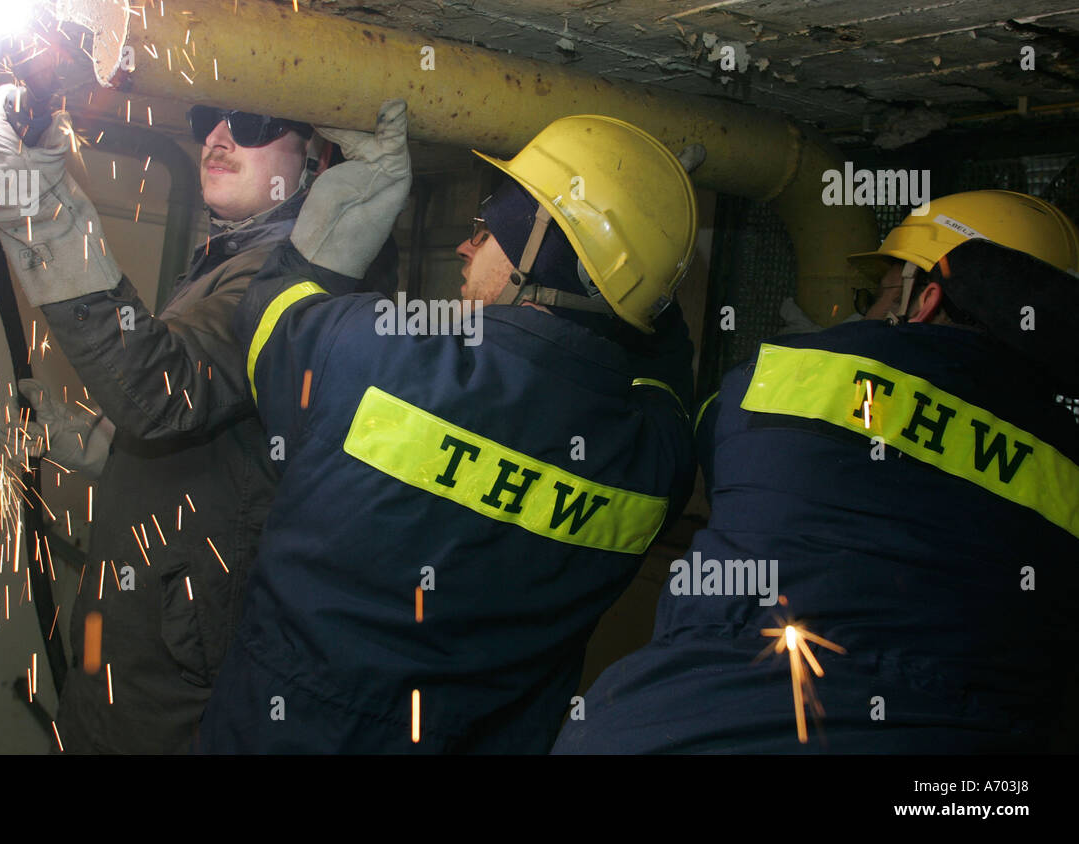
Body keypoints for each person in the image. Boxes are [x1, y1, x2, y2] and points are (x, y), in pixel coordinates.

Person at [195, 104, 701, 753]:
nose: (465, 244)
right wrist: (649, 244)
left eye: (488, 231)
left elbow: (269, 315)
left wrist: (354, 193)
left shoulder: (376, 352)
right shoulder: (656, 459)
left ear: (538, 257)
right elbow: (666, 374)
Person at [554, 190, 1079, 753]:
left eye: (876, 295)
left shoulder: (783, 375)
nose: (866, 311)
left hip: (671, 729)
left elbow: (705, 439)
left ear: (923, 300)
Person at [0, 86, 395, 753]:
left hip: (180, 671)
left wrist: (39, 213)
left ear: (315, 155)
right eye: (208, 121)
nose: (218, 138)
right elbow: (225, 433)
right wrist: (105, 445)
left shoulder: (281, 282)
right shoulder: (235, 261)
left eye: (251, 122)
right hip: (142, 639)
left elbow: (164, 393)